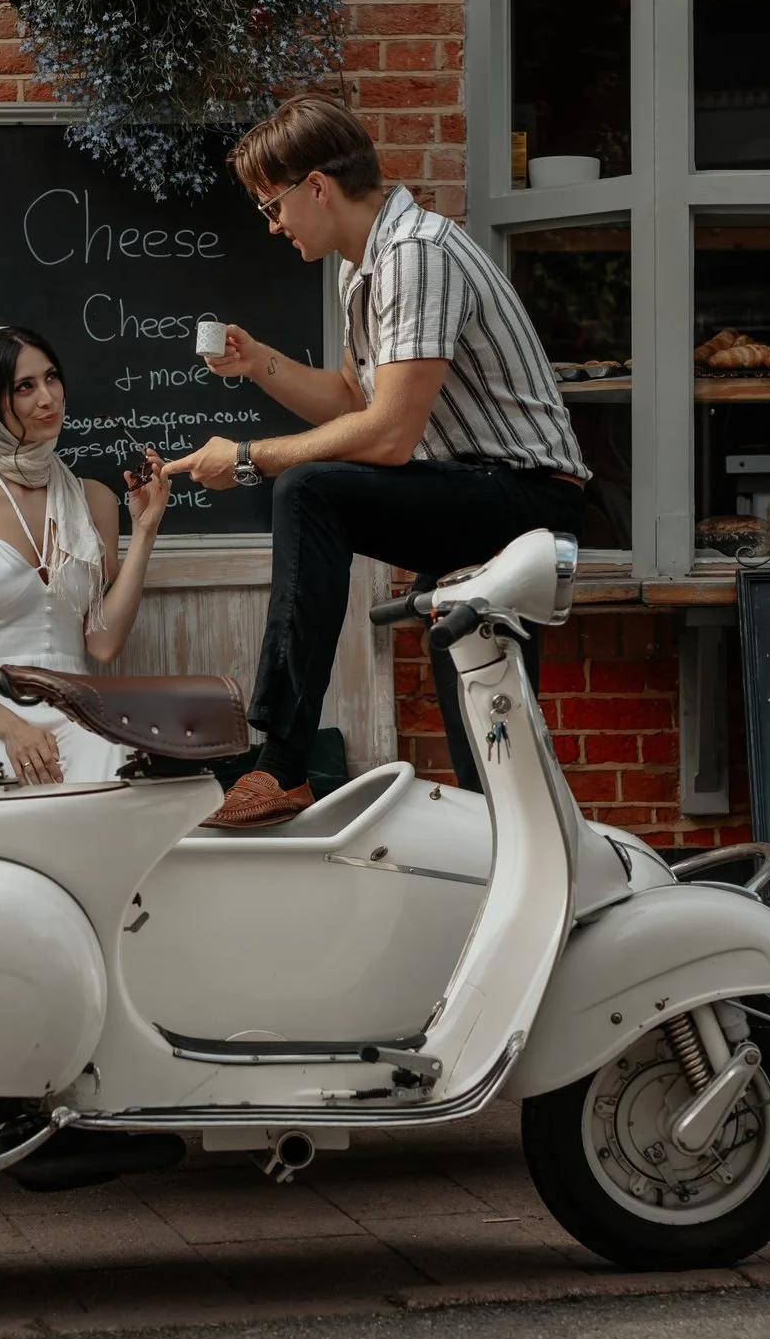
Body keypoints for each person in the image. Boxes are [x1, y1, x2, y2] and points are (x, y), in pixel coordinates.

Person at [163, 94, 588, 827]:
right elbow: (355, 401)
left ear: (317, 187)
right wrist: (260, 361)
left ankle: (282, 764)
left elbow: (388, 435)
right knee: (484, 735)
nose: (273, 227)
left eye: (273, 207)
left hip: (525, 497)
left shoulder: (416, 254)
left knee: (306, 491)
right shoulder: (365, 265)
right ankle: (513, 853)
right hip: (471, 492)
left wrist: (247, 458)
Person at [0, 326, 171, 785]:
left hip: (78, 713)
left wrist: (145, 531)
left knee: (111, 784)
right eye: (24, 387)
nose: (47, 398)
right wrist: (12, 728)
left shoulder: (95, 501)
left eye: (51, 378)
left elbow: (102, 644)